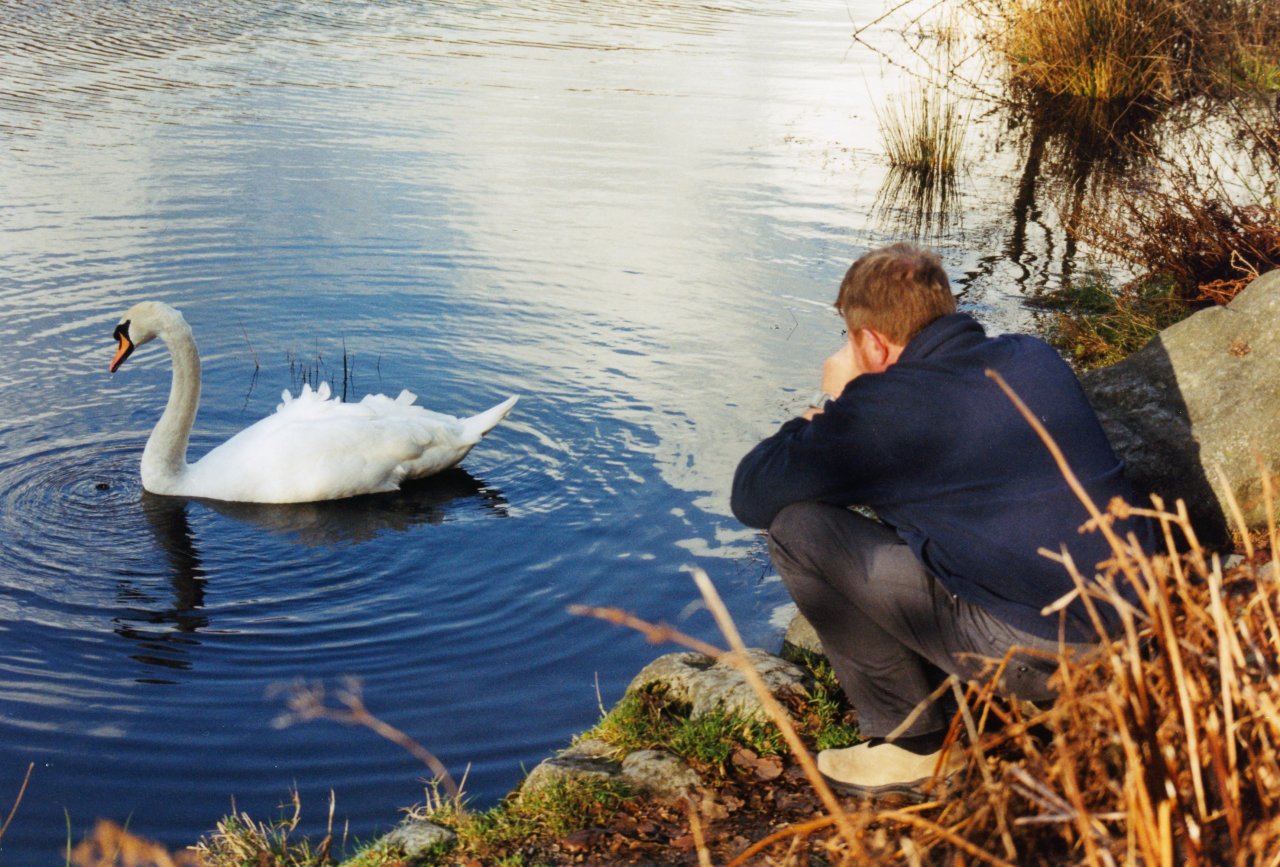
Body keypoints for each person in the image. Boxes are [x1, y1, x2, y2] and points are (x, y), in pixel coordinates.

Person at [731, 243, 1154, 799]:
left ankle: (914, 748)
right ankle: (1045, 697)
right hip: (1144, 628)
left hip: (1043, 648)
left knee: (799, 530)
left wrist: (837, 402)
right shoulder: (1032, 354)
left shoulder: (883, 410)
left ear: (871, 341)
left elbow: (752, 495)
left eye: (849, 338)